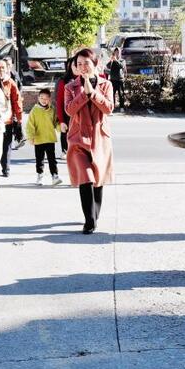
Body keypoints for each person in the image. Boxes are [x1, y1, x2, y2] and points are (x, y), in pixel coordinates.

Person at [65, 48, 114, 234]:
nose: (83, 67)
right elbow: (69, 110)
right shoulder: (71, 87)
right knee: (86, 178)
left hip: (99, 137)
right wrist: (83, 94)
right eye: (79, 64)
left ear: (95, 64)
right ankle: (89, 221)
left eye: (86, 63)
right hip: (78, 139)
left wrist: (92, 92)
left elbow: (109, 108)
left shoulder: (106, 85)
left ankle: (95, 214)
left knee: (98, 178)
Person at [26, 88, 63, 186]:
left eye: (46, 98)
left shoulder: (52, 110)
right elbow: (30, 125)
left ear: (49, 99)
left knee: (52, 159)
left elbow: (56, 122)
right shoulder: (34, 111)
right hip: (38, 140)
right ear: (38, 98)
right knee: (39, 159)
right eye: (41, 97)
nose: (43, 100)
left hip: (50, 139)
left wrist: (60, 128)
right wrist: (31, 137)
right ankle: (40, 175)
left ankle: (54, 175)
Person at [0, 58, 24, 175]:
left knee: (7, 145)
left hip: (7, 120)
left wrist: (19, 119)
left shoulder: (11, 83)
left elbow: (17, 101)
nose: (1, 69)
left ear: (7, 69)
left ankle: (6, 167)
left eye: (3, 67)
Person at [55, 56, 77, 155]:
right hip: (66, 114)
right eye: (74, 64)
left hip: (80, 116)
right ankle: (65, 151)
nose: (76, 67)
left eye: (79, 64)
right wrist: (61, 121)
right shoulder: (63, 81)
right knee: (65, 133)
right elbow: (59, 101)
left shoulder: (86, 80)